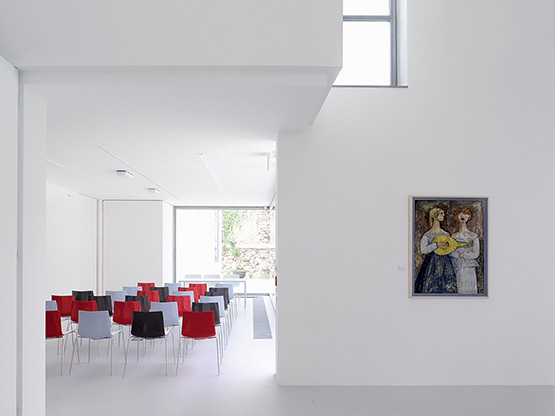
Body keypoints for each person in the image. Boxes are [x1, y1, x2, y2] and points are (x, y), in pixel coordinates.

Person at [414, 208, 458, 293]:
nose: (443, 215)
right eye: (441, 213)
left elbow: (451, 249)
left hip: (446, 263)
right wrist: (436, 245)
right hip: (432, 263)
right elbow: (423, 250)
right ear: (435, 216)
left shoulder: (446, 234)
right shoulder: (427, 235)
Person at [449, 208, 480, 294]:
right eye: (460, 214)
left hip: (469, 265)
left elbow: (476, 253)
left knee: (469, 287)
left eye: (465, 214)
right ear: (456, 217)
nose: (462, 216)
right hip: (457, 265)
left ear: (469, 217)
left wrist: (463, 255)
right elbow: (450, 251)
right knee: (458, 286)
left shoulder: (473, 236)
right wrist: (458, 255)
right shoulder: (453, 236)